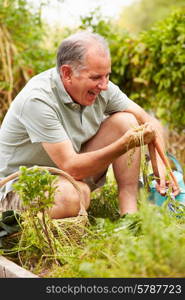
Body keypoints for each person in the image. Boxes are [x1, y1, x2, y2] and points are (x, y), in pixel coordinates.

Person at [0, 31, 179, 219]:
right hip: (18, 188)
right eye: (95, 78)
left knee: (126, 121)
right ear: (67, 73)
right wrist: (124, 144)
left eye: (107, 76)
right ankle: (73, 199)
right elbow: (71, 166)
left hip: (67, 176)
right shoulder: (38, 99)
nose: (103, 85)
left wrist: (161, 168)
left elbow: (149, 121)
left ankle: (129, 215)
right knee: (72, 196)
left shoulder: (103, 88)